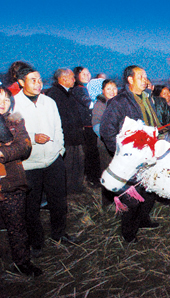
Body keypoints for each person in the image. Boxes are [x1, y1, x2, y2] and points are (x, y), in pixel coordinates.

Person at [13, 66, 76, 257]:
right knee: (31, 206)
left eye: (40, 79)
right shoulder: (14, 105)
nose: (38, 84)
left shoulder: (49, 102)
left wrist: (59, 149)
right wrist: (32, 138)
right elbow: (13, 134)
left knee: (58, 201)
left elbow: (58, 127)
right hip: (29, 163)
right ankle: (36, 242)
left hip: (53, 160)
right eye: (33, 80)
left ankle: (59, 234)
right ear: (21, 82)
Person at [100, 65, 161, 242]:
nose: (145, 80)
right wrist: (121, 152)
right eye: (141, 76)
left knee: (149, 191)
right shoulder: (120, 102)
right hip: (131, 158)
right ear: (130, 79)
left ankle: (143, 220)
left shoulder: (147, 99)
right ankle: (128, 233)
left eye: (146, 76)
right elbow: (106, 130)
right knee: (132, 196)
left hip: (149, 155)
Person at [0, 86, 43, 277]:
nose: (3, 104)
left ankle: (22, 262)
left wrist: (2, 153)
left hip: (11, 183)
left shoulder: (15, 122)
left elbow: (24, 147)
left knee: (17, 226)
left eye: (7, 100)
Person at [45, 69, 85, 194]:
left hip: (75, 136)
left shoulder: (69, 93)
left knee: (78, 164)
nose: (74, 80)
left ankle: (76, 188)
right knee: (68, 165)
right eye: (72, 77)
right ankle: (66, 191)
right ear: (63, 79)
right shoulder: (55, 94)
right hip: (66, 137)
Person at [71, 66, 101, 187]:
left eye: (88, 73)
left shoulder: (87, 88)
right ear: (77, 76)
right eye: (83, 74)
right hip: (87, 126)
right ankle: (92, 179)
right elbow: (89, 104)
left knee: (94, 152)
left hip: (91, 124)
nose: (87, 76)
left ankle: (93, 177)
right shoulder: (79, 89)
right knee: (91, 153)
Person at [92, 79, 117, 205]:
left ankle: (120, 199)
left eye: (114, 88)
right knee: (108, 172)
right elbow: (96, 125)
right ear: (103, 91)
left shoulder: (119, 103)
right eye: (108, 89)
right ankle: (107, 203)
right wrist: (108, 138)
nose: (112, 91)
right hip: (105, 145)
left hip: (120, 145)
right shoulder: (100, 104)